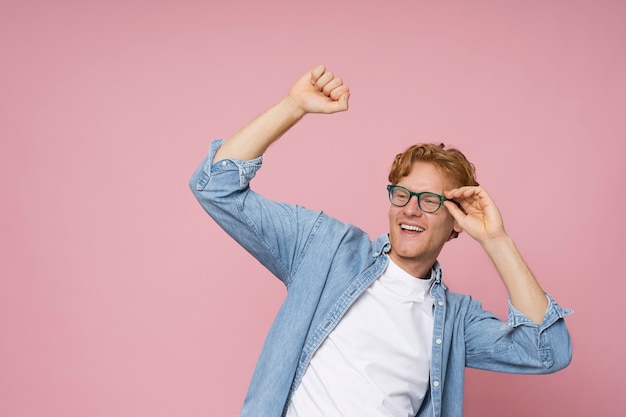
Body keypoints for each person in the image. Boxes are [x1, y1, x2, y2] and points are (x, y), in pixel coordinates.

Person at [189, 65, 572, 417]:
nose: (410, 210)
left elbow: (547, 352)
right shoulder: (326, 248)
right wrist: (293, 106)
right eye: (402, 195)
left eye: (430, 201)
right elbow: (214, 187)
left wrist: (495, 239)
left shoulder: (454, 320)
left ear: (457, 223)